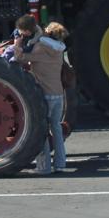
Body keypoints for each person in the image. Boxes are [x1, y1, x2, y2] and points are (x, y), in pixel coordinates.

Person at [22, 19, 69, 174]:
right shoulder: (59, 50)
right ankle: (60, 164)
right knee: (56, 128)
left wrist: (17, 44)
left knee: (42, 130)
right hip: (58, 94)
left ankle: (44, 166)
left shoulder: (41, 47)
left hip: (45, 95)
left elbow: (21, 58)